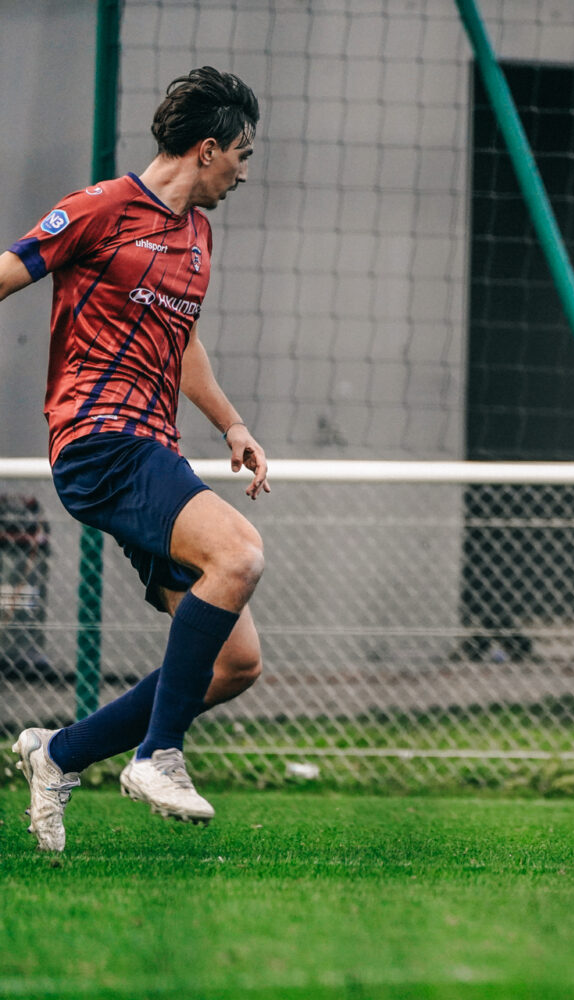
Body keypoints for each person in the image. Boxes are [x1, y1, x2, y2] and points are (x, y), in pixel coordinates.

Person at [1, 67, 268, 851]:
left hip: (154, 447)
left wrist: (232, 424)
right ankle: (156, 754)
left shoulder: (199, 236)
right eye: (241, 155)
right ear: (207, 148)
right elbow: (9, 271)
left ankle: (59, 755)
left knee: (235, 664)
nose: (245, 172)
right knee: (241, 553)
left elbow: (178, 342)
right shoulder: (99, 209)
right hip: (98, 440)